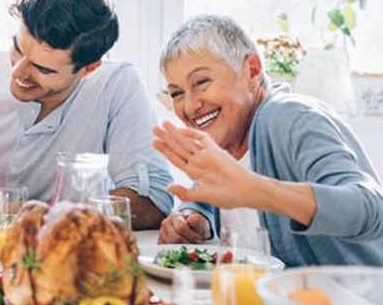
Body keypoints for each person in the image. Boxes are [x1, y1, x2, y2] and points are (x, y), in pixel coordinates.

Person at [154, 14, 383, 267]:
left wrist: (255, 191)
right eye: (177, 93)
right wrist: (193, 215)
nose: (190, 105)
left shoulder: (291, 117)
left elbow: (371, 207)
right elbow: (221, 192)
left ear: (252, 71)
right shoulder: (228, 139)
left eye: (202, 82)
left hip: (358, 302)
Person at [0, 0, 172, 228]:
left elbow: (153, 202)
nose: (18, 72)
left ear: (89, 69)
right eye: (17, 49)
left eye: (43, 69)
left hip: (65, 257)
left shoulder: (116, 85)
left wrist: (49, 217)